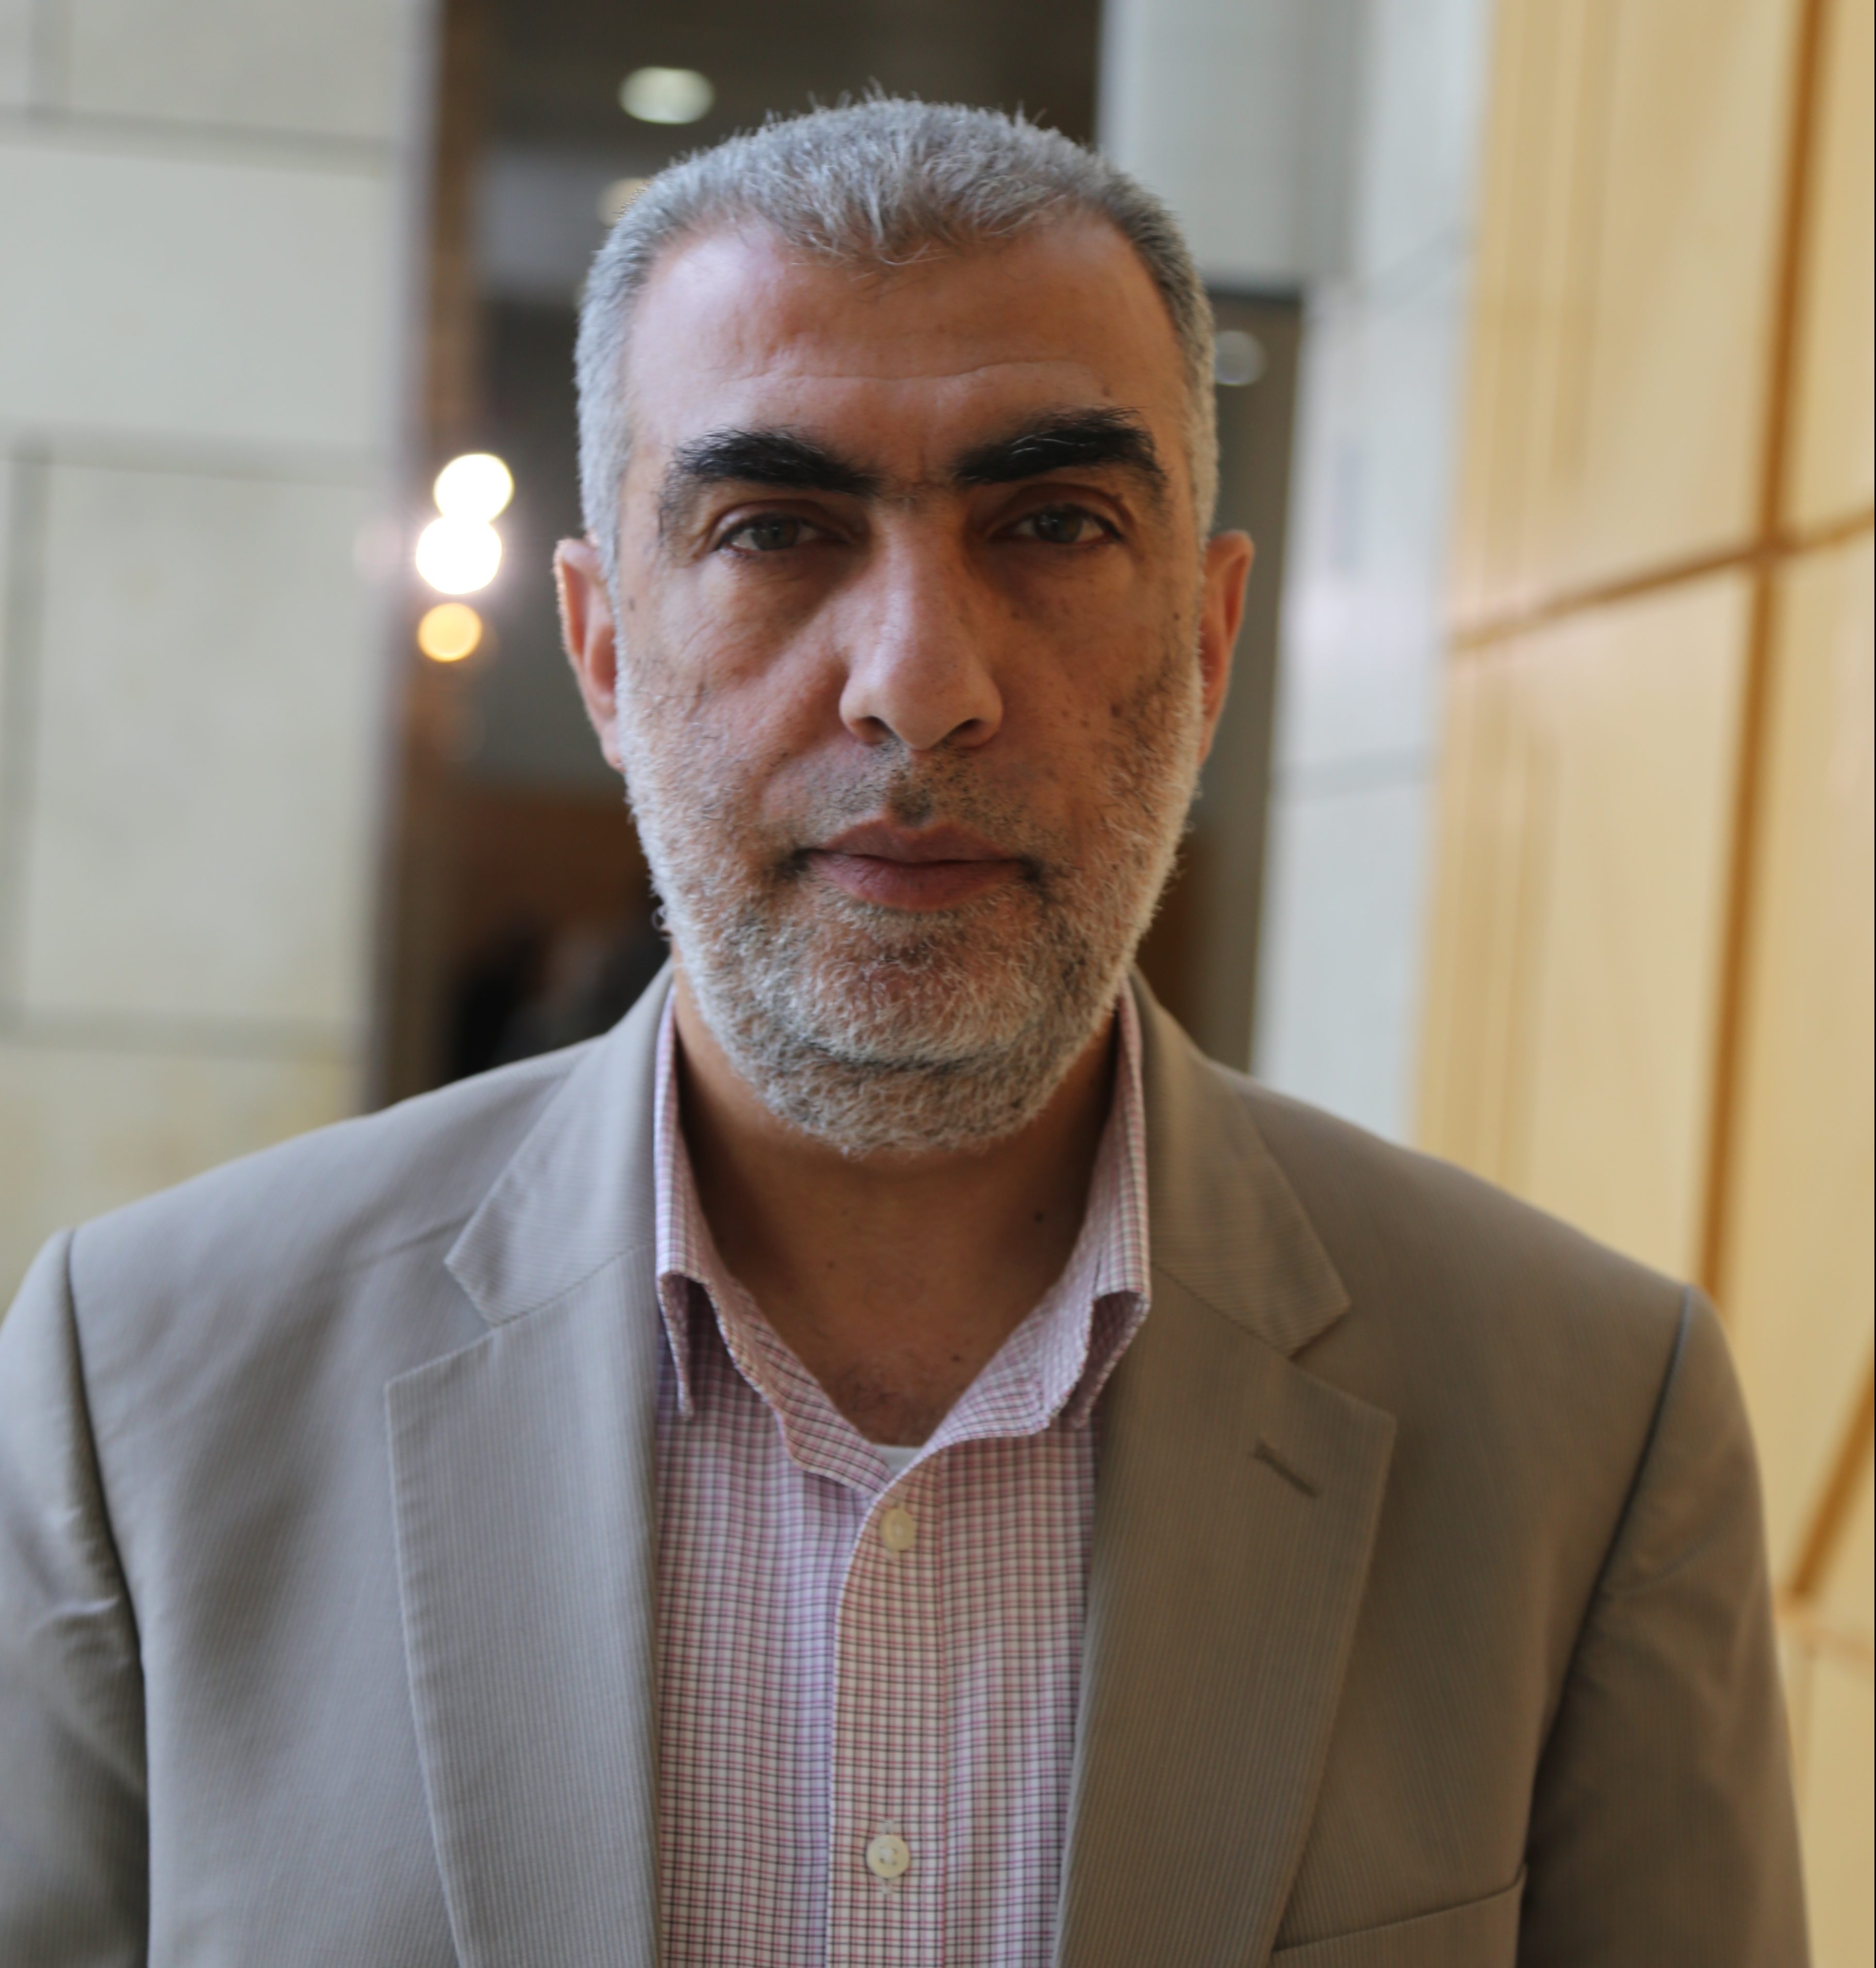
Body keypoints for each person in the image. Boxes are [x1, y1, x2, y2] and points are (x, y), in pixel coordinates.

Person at [0, 101, 1805, 1967]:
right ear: (604, 650)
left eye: (1053, 524)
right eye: (775, 529)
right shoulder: (143, 1398)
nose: (919, 685)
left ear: (1209, 644)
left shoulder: (1589, 1428)